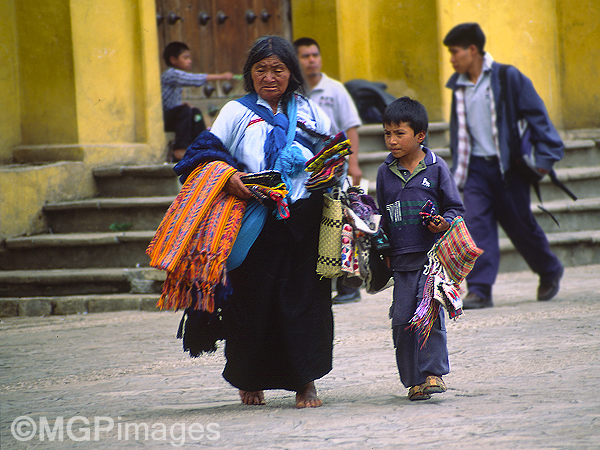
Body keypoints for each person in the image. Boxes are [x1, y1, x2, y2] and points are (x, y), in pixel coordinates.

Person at [165, 36, 334, 408]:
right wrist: (228, 179)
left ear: (291, 73)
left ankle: (304, 382)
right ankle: (249, 379)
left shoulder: (311, 112)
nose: (270, 77)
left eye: (278, 69)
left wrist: (329, 172)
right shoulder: (235, 113)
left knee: (304, 302)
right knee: (251, 302)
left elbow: (330, 154)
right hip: (254, 221)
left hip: (303, 221)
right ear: (250, 74)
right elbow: (201, 154)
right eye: (261, 70)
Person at [443, 23, 564, 309]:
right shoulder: (458, 87)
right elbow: (458, 130)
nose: (451, 58)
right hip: (474, 171)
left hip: (509, 169)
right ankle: (480, 289)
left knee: (521, 226)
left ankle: (549, 270)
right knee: (476, 225)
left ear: (473, 50)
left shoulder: (508, 77)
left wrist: (546, 159)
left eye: (455, 52)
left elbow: (537, 116)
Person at [376, 97, 465, 401]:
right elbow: (382, 217)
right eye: (387, 133)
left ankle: (433, 373)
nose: (392, 140)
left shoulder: (436, 167)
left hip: (431, 261)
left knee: (429, 316)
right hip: (400, 262)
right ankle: (413, 380)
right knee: (402, 321)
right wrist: (382, 248)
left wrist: (443, 224)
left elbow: (456, 208)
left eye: (399, 133)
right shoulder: (384, 172)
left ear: (419, 136)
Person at [293, 36, 363, 304]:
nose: (312, 61)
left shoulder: (335, 90)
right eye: (306, 56)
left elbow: (351, 127)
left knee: (343, 223)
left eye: (315, 55)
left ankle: (349, 287)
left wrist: (353, 163)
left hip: (336, 170)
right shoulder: (296, 93)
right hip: (306, 173)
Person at [161, 41, 233, 161]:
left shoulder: (176, 76)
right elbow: (194, 79)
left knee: (195, 112)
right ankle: (180, 149)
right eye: (185, 58)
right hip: (164, 118)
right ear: (173, 60)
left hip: (172, 116)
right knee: (184, 111)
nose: (189, 61)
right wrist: (221, 77)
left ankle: (202, 147)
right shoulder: (171, 74)